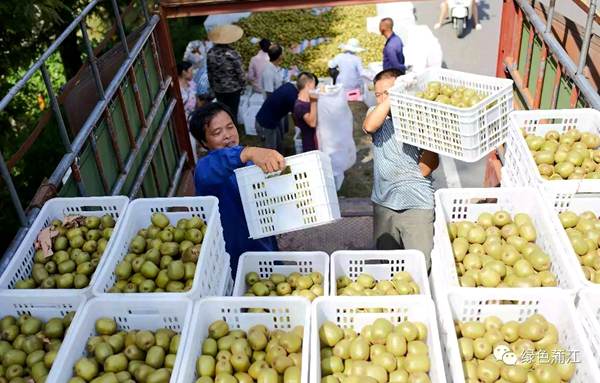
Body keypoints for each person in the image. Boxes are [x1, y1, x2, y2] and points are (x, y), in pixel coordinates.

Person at [190, 102, 284, 276]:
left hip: (265, 243)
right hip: (234, 254)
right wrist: (248, 152)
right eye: (217, 133)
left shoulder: (248, 163)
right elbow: (218, 164)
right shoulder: (205, 169)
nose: (227, 136)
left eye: (230, 127)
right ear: (204, 142)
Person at [363, 68, 439, 272]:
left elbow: (425, 169)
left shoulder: (418, 120)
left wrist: (431, 137)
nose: (381, 98)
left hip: (417, 205)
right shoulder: (377, 116)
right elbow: (370, 126)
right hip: (384, 203)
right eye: (378, 94)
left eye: (387, 92)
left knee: (420, 267)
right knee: (387, 266)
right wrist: (391, 97)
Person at [255, 72, 316, 153]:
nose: (314, 89)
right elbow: (297, 117)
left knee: (279, 143)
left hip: (273, 120)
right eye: (314, 86)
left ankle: (282, 156)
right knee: (271, 150)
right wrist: (300, 128)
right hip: (265, 124)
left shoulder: (290, 86)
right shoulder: (293, 98)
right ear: (308, 85)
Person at [207, 24, 245, 122]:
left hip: (218, 89)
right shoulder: (233, 54)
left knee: (223, 111)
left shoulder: (210, 53)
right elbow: (240, 74)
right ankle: (233, 129)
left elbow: (209, 72)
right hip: (233, 89)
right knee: (233, 112)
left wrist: (212, 86)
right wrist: (242, 86)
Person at [293, 73, 319, 152]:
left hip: (316, 142)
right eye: (314, 85)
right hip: (310, 146)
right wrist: (314, 102)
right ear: (308, 85)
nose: (315, 87)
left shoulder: (306, 101)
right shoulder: (299, 106)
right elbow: (312, 123)